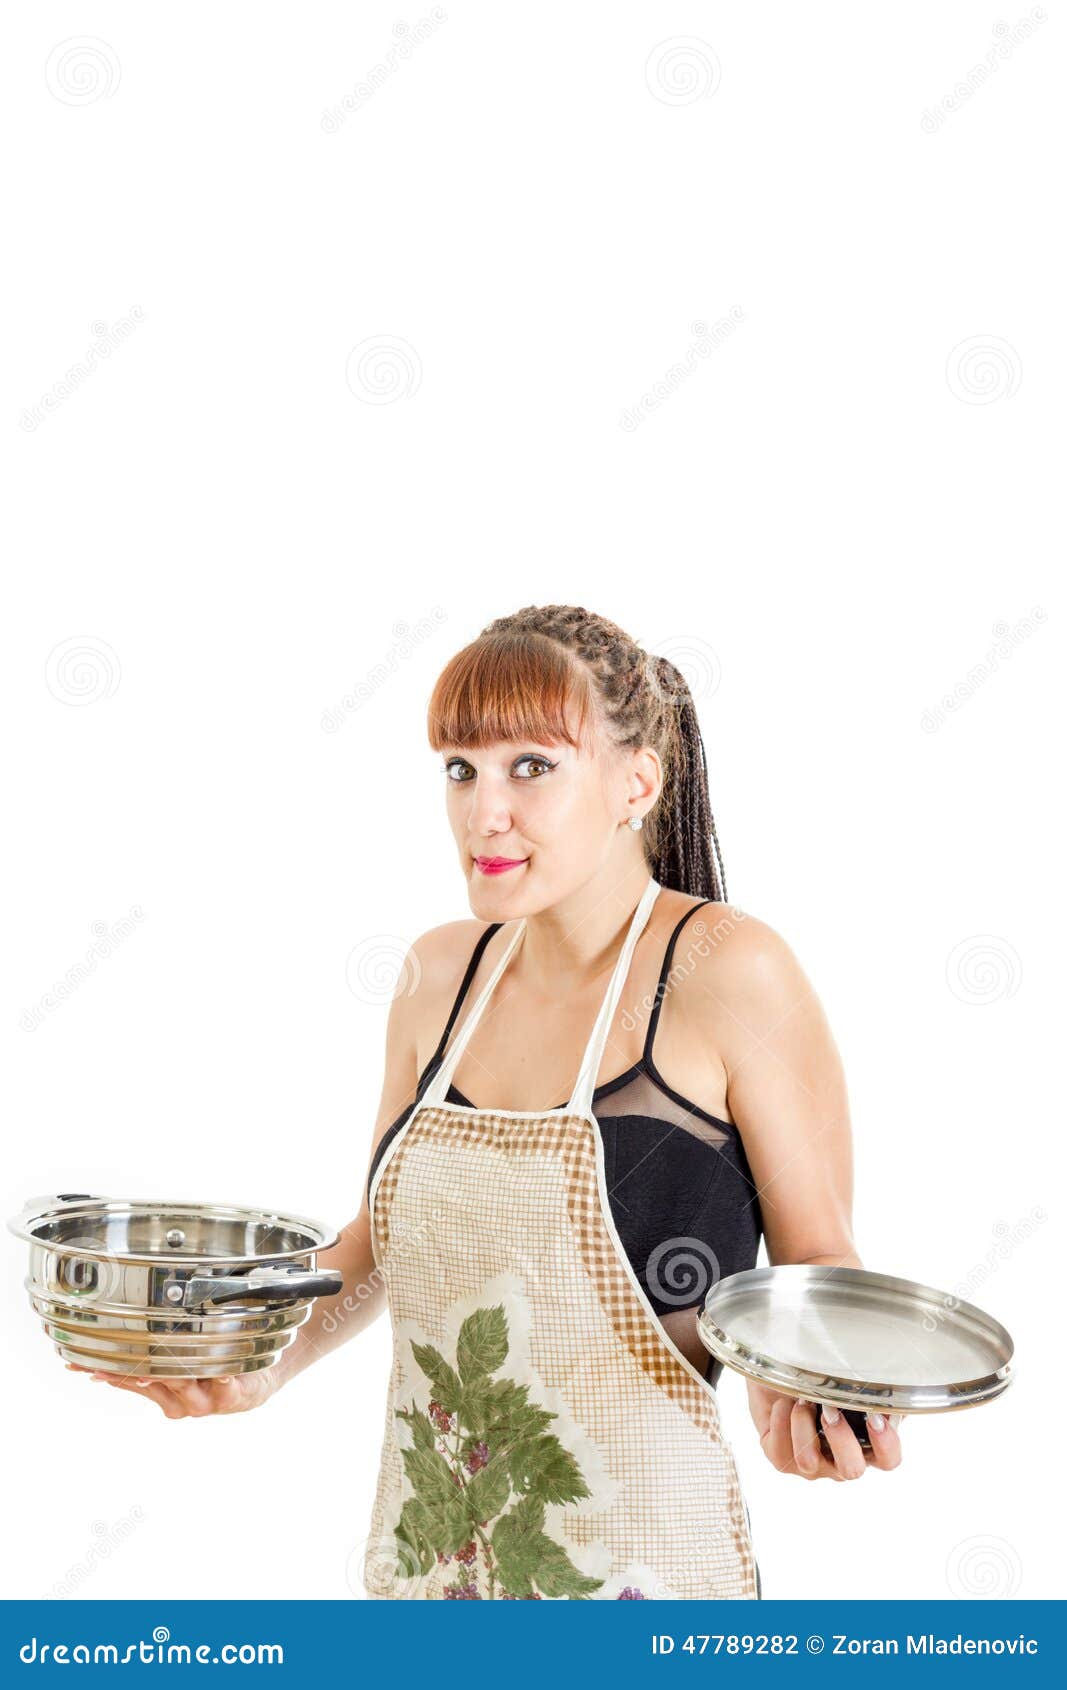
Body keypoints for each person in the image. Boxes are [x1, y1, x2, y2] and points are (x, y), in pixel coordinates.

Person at [70, 604, 903, 1598]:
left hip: (644, 1590)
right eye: (461, 769)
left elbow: (816, 1264)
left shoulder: (729, 970)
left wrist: (815, 1389)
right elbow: (379, 1240)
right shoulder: (436, 976)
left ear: (634, 782)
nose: (482, 813)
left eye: (531, 767)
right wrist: (261, 1363)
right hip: (427, 1581)